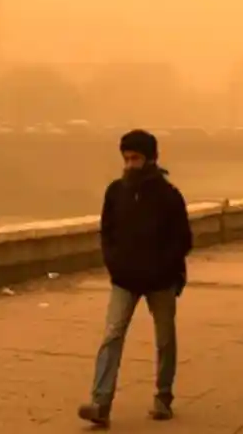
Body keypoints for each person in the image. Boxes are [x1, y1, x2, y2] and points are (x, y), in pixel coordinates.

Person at [78, 129, 193, 427]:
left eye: (136, 159)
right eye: (126, 158)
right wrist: (114, 265)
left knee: (165, 339)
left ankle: (163, 397)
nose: (129, 164)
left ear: (151, 159)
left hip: (161, 280)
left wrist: (164, 269)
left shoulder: (169, 196)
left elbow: (183, 240)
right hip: (124, 279)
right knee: (111, 336)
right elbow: (108, 234)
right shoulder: (116, 192)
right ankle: (100, 403)